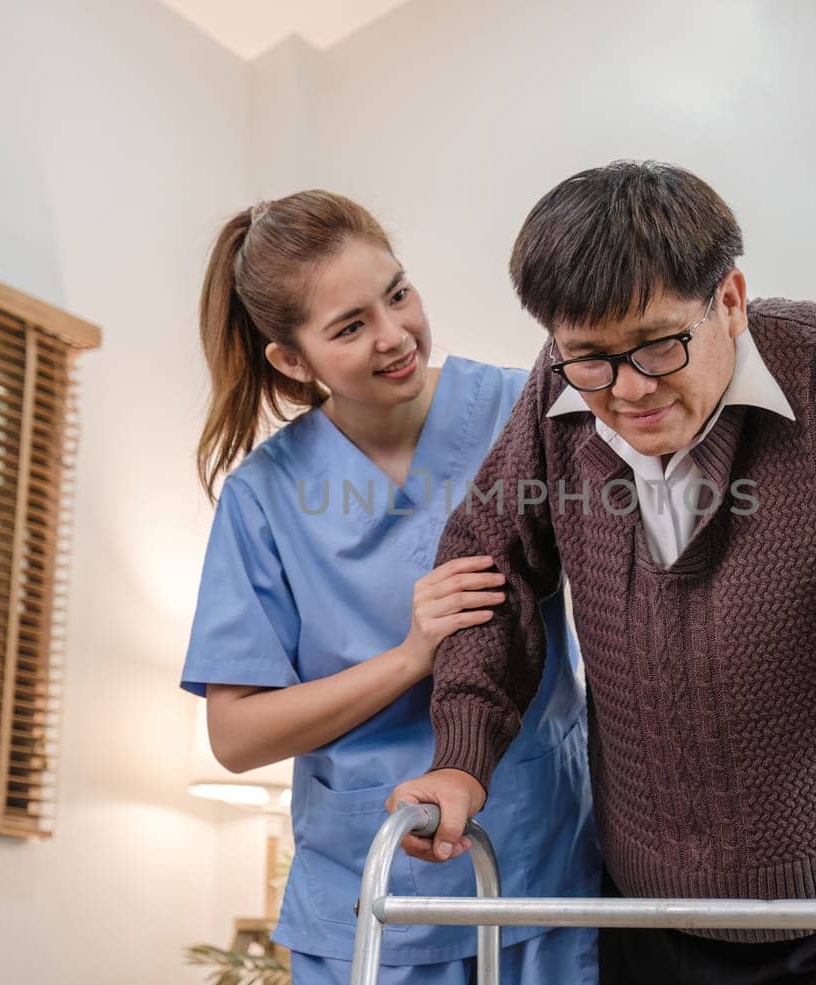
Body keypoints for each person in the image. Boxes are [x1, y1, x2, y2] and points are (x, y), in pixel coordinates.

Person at [388, 161, 816, 985]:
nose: (629, 390)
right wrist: (464, 754)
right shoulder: (557, 395)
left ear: (731, 301)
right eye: (589, 358)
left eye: (661, 345)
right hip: (645, 905)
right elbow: (486, 565)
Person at [180, 191, 600, 985]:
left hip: (538, 865)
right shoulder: (264, 498)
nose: (395, 334)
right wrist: (411, 657)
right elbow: (236, 736)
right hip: (368, 895)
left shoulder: (523, 410)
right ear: (292, 361)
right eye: (349, 326)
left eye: (398, 293)